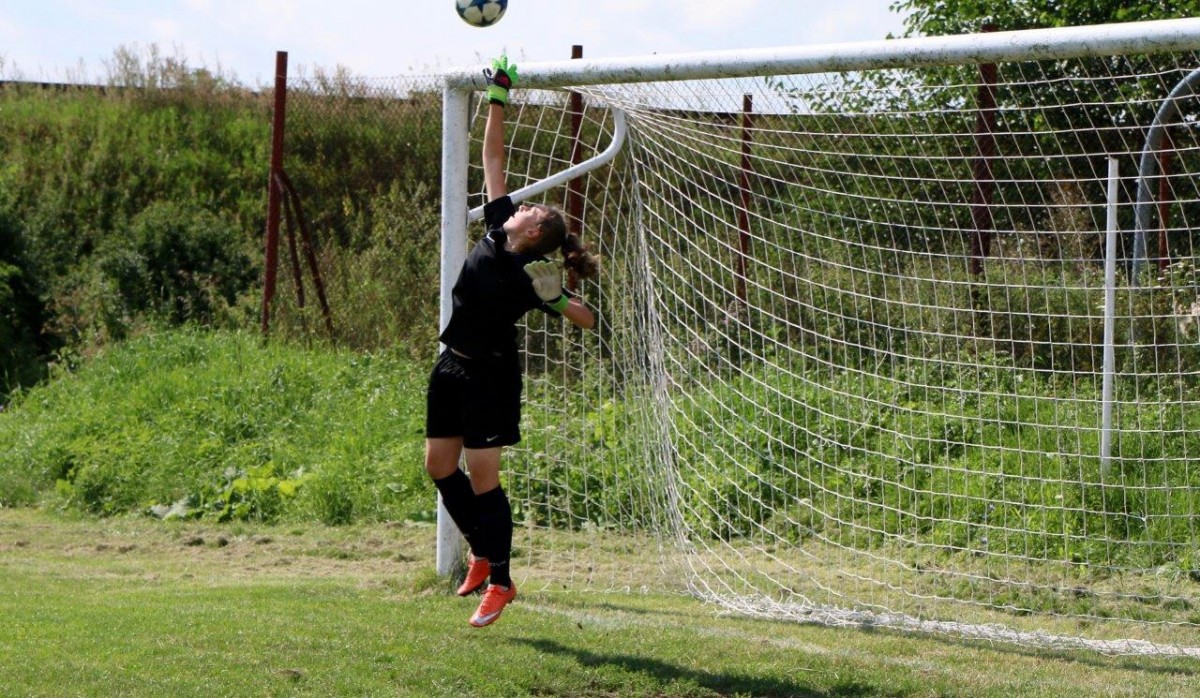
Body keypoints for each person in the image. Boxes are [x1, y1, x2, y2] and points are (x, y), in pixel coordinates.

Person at [423, 55, 600, 628]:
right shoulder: (499, 227)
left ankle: (500, 581)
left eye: (528, 209)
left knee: (483, 478)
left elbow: (587, 319)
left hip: (490, 380)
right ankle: (479, 551)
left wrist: (554, 302)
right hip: (451, 365)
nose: (518, 205)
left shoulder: (531, 276)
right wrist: (499, 95)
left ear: (535, 233)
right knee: (438, 467)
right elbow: (493, 158)